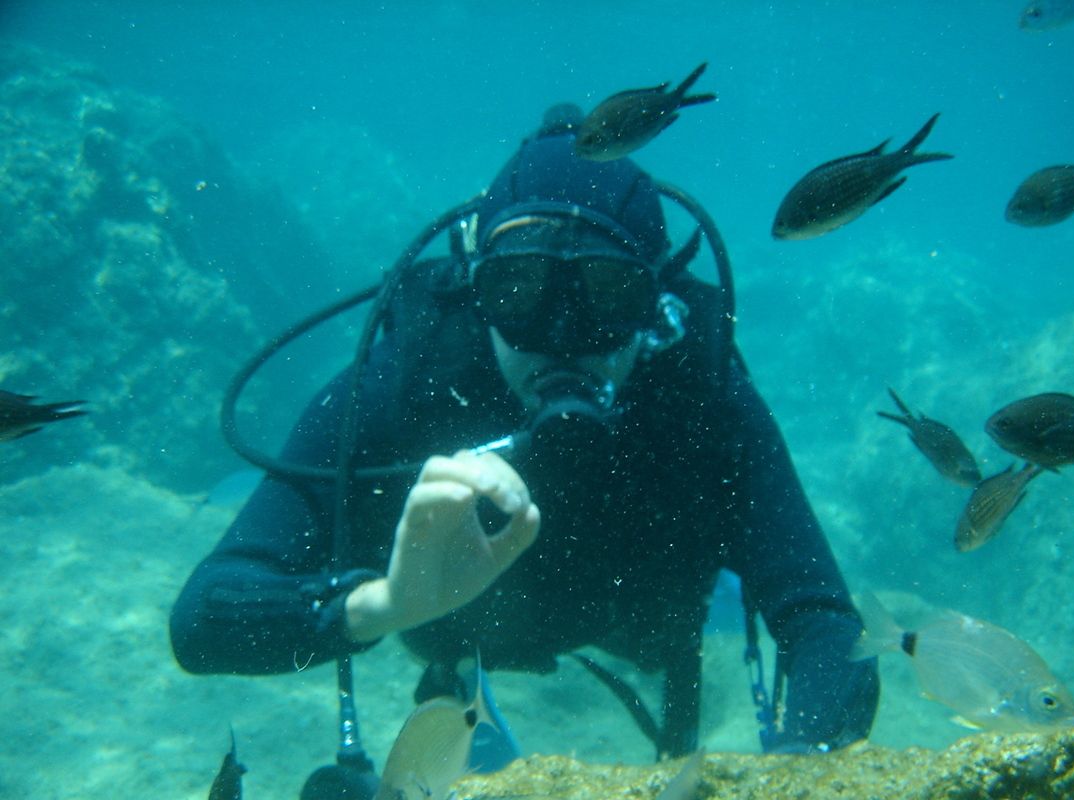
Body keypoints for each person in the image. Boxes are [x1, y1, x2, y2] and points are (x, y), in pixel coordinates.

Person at [170, 104, 879, 794]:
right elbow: (202, 619)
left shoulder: (700, 399)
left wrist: (801, 772)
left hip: (646, 644)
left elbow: (825, 623)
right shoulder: (404, 385)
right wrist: (378, 605)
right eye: (520, 287)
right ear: (477, 292)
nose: (561, 331)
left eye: (607, 293)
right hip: (460, 648)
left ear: (655, 304)